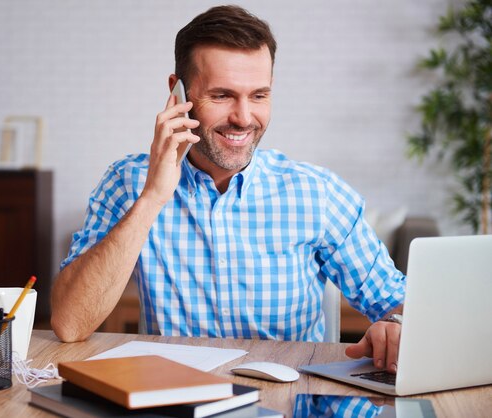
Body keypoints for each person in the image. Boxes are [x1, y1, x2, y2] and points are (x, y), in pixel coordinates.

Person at [51, 5, 405, 374]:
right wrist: (153, 196)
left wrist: (395, 329)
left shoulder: (317, 194)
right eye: (221, 96)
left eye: (258, 95)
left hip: (288, 399)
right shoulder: (128, 182)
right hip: (175, 398)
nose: (243, 117)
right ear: (177, 92)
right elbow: (70, 324)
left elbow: (398, 302)